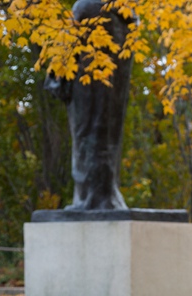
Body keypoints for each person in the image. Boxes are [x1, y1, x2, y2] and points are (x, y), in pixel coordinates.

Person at [44, 0, 132, 210]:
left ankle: (91, 198)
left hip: (87, 86)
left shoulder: (86, 6)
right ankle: (103, 194)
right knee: (104, 138)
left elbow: (65, 48)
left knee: (87, 136)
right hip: (110, 89)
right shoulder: (125, 12)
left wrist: (56, 78)